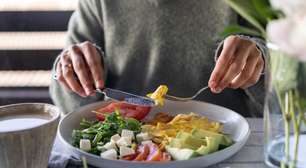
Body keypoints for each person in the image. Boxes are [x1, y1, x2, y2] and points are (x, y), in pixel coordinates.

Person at [50, 0, 267, 117]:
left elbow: (289, 91)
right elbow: (67, 105)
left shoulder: (246, 4)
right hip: (123, 148)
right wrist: (73, 73)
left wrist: (261, 61)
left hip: (231, 146)